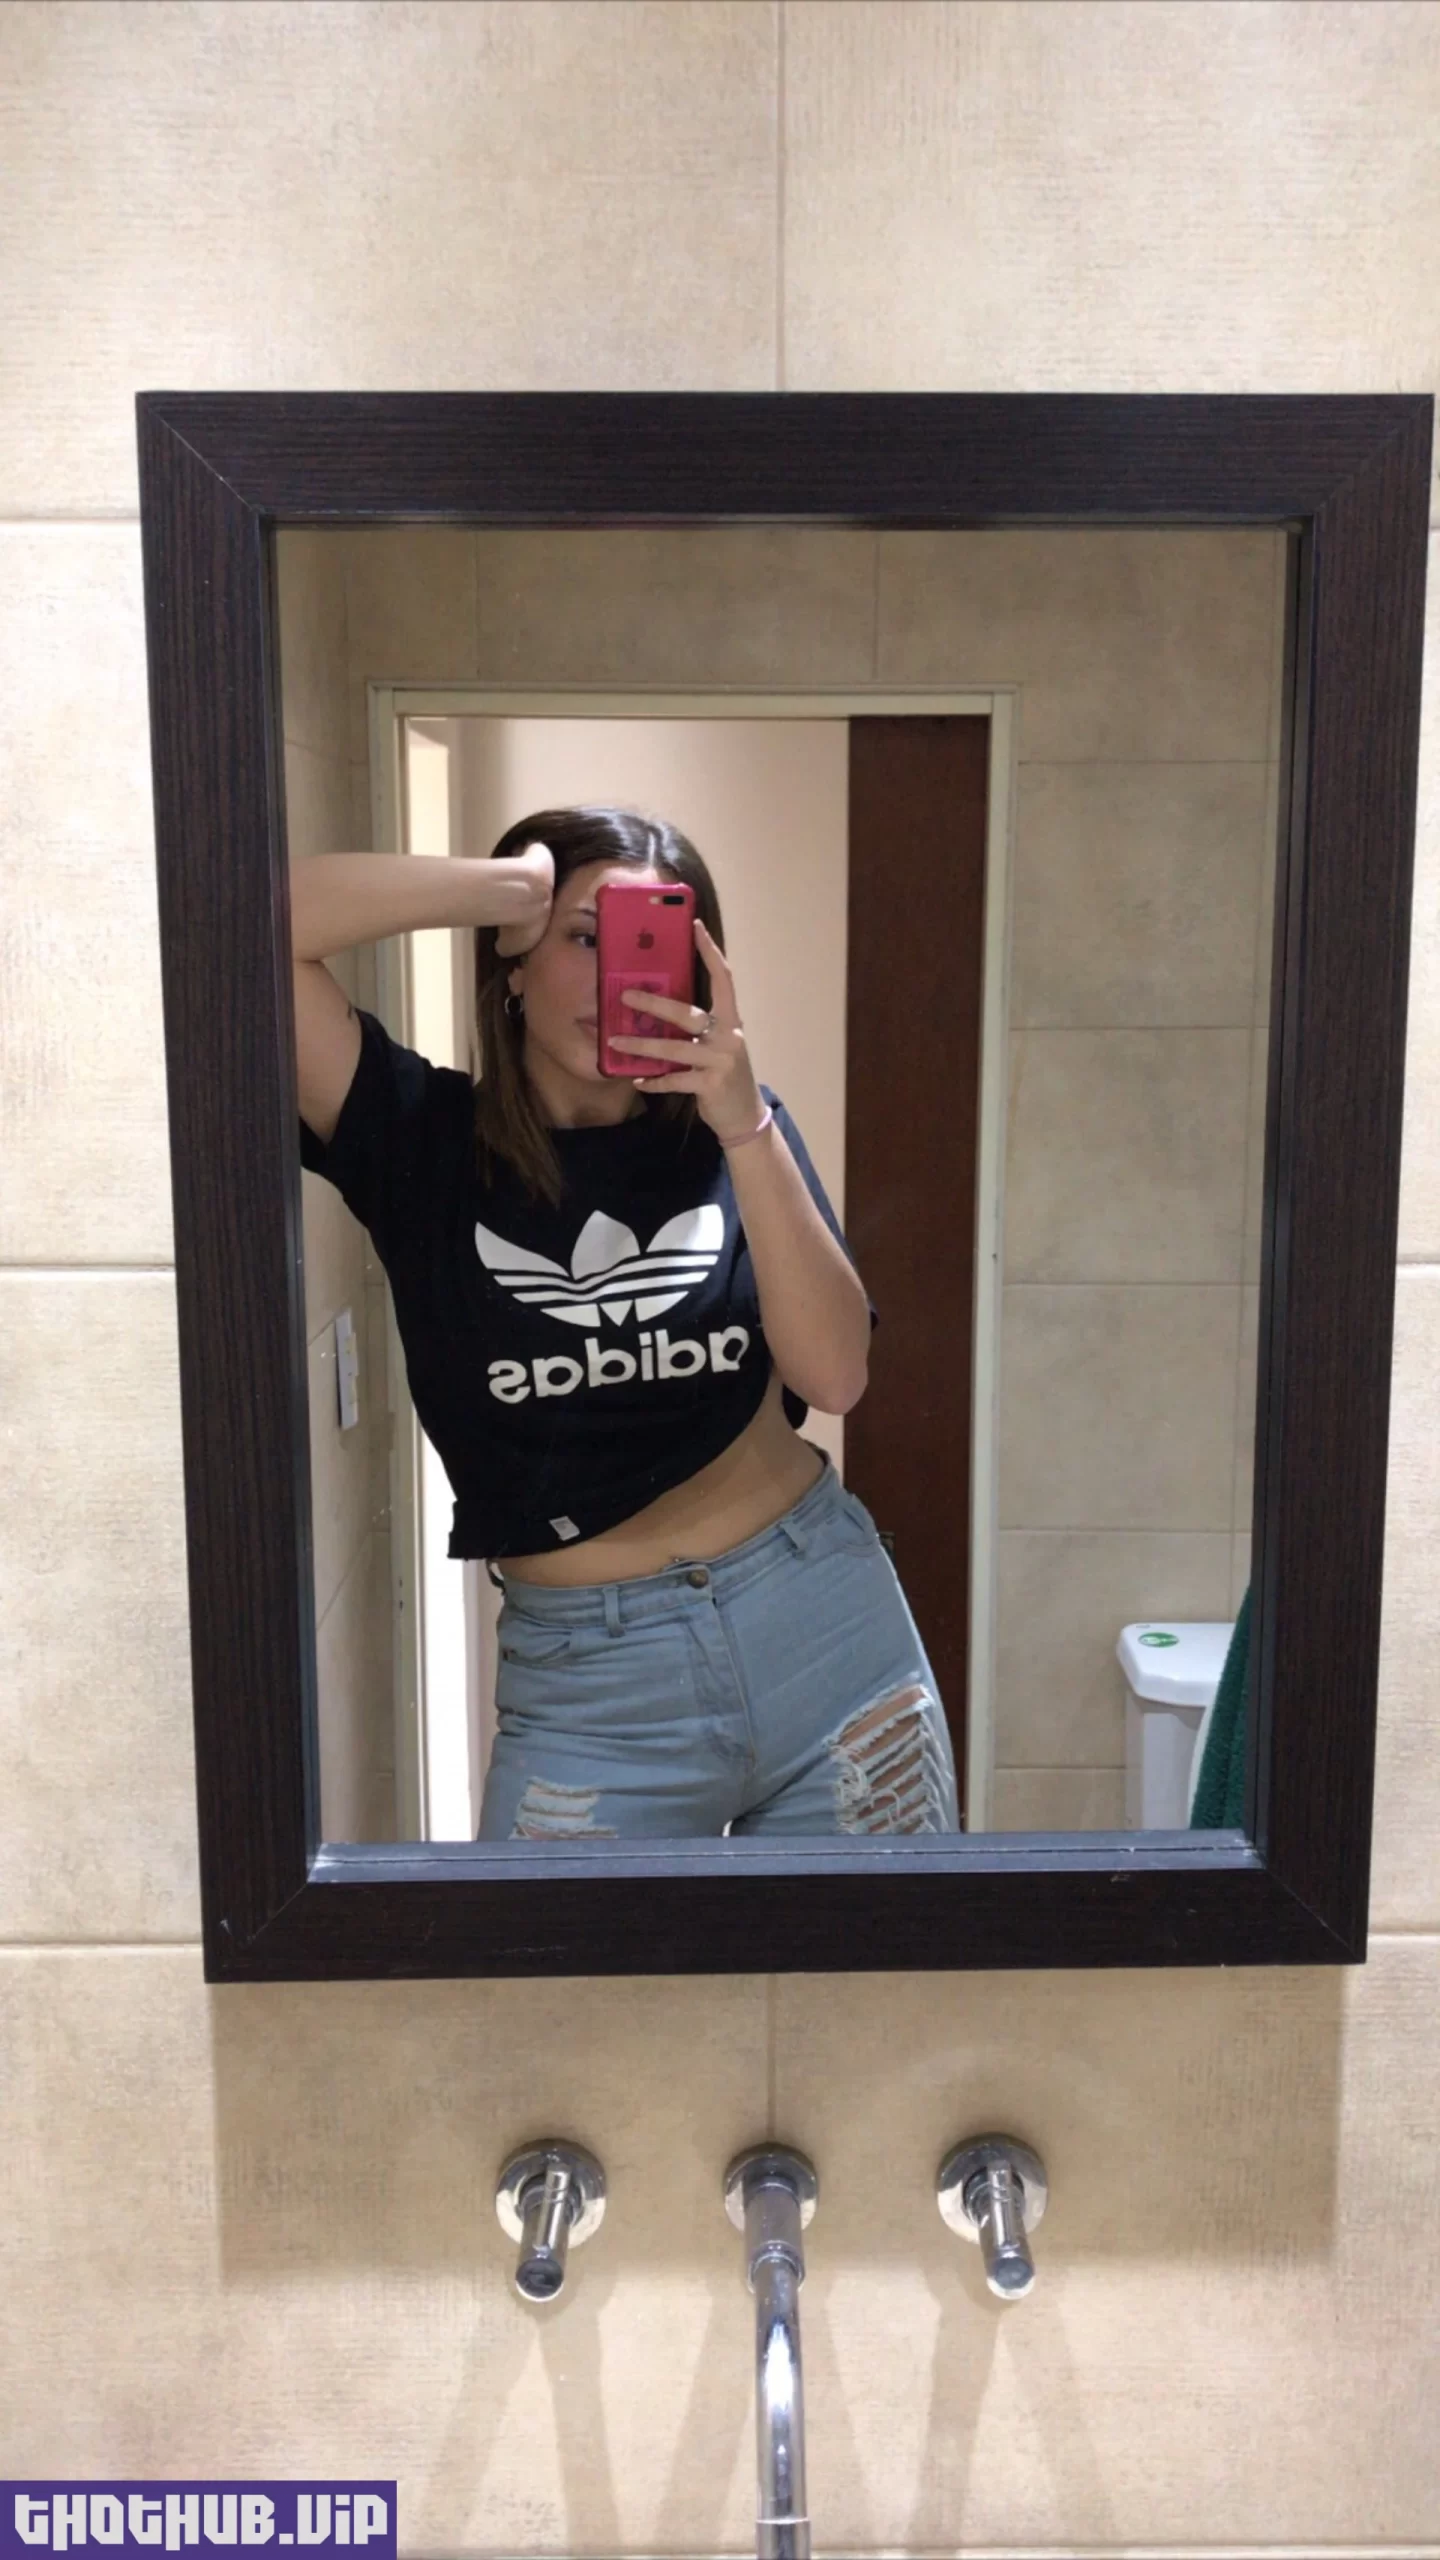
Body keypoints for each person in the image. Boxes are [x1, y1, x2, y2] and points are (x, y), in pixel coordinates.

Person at [295, 804, 959, 1840]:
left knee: (879, 1952)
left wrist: (744, 1123)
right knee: (557, 1956)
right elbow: (261, 928)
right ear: (514, 966)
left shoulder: (738, 1137)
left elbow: (835, 1378)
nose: (621, 973)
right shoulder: (418, 1137)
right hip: (589, 1697)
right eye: (583, 937)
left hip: (827, 1634)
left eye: (651, 944)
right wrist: (508, 888)